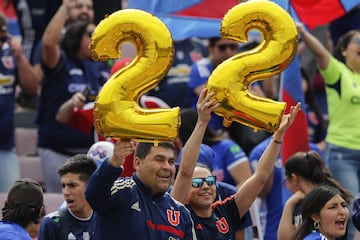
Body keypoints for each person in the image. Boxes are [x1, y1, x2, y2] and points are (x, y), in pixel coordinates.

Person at [171, 88, 300, 239]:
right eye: (197, 183)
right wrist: (202, 122)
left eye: (210, 181)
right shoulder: (179, 211)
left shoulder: (226, 211)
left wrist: (278, 136)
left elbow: (260, 177)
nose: (205, 186)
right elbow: (185, 172)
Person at [36, 0, 109, 193]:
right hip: (57, 150)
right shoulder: (62, 60)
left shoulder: (100, 65)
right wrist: (65, 7)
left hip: (91, 153)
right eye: (91, 35)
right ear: (77, 37)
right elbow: (48, 44)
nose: (96, 39)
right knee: (61, 205)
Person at [297, 22, 360, 239]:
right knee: (349, 211)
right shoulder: (338, 72)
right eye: (358, 42)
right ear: (344, 49)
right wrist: (304, 32)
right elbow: (320, 53)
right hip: (343, 154)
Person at [85, 142, 195, 239]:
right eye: (159, 160)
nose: (167, 167)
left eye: (171, 162)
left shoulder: (181, 213)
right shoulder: (123, 191)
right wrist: (113, 164)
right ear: (138, 163)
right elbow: (94, 196)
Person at [0, 12, 39, 192]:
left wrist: (20, 57)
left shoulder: (9, 56)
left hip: (5, 145)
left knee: (12, 203)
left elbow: (32, 88)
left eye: (3, 37)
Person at [277, 150, 352, 240]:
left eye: (343, 205)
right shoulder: (297, 203)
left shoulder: (330, 197)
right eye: (333, 207)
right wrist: (289, 204)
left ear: (293, 178)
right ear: (315, 217)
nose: (342, 211)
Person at [38, 154, 97, 240]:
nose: (66, 192)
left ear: (90, 186)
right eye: (63, 186)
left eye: (72, 185)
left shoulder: (104, 220)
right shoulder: (52, 224)